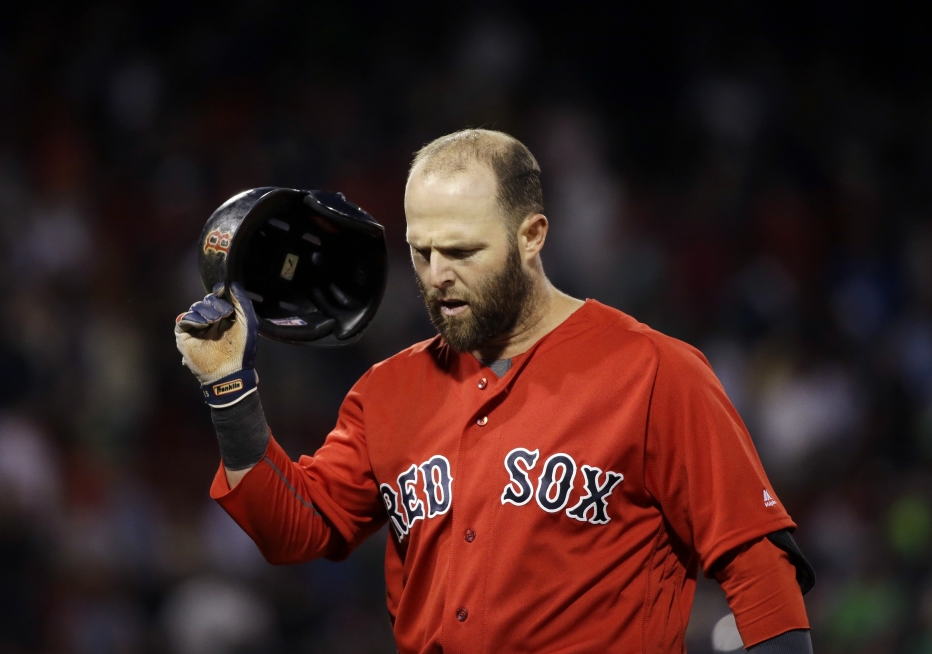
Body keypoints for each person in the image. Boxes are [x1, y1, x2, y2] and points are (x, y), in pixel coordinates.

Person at [175, 129, 813, 653]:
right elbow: (297, 531)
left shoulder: (655, 371)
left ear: (532, 235)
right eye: (421, 252)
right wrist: (229, 390)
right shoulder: (387, 391)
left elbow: (757, 561)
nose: (438, 277)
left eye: (461, 251)